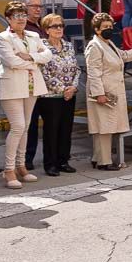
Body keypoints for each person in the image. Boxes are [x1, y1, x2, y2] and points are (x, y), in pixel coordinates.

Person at [0, 1, 52, 189]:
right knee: (18, 126)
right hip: (11, 85)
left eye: (23, 15)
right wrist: (35, 62)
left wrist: (31, 57)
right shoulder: (2, 38)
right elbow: (11, 62)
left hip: (31, 85)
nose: (21, 19)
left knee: (25, 127)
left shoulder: (34, 35)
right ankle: (8, 169)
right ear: (8, 19)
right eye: (16, 16)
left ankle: (21, 165)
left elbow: (48, 54)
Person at [85, 13, 132, 169]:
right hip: (103, 91)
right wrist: (99, 93)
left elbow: (124, 56)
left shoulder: (109, 43)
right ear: (96, 29)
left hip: (112, 90)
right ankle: (104, 162)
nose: (109, 29)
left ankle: (97, 157)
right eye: (105, 27)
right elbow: (93, 72)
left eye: (110, 26)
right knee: (104, 127)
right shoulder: (95, 46)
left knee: (107, 126)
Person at [37, 13, 80, 176]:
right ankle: (50, 164)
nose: (59, 29)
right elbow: (44, 72)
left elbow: (76, 68)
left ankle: (63, 161)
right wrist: (63, 89)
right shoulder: (41, 47)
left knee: (66, 129)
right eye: (55, 26)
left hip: (70, 94)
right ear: (46, 29)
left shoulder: (68, 45)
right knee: (51, 130)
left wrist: (73, 88)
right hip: (50, 97)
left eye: (61, 25)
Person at [22, 0, 45, 169]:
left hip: (48, 83)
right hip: (30, 83)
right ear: (25, 7)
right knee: (29, 124)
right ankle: (26, 160)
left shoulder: (44, 26)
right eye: (33, 6)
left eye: (40, 6)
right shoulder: (23, 29)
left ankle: (50, 159)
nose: (37, 9)